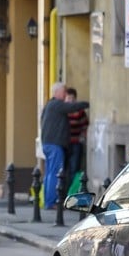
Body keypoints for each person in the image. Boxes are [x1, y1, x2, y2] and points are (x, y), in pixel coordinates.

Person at [40, 82, 88, 210]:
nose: (65, 94)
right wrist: (87, 104)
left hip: (47, 143)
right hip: (55, 144)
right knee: (55, 173)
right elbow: (72, 107)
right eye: (64, 91)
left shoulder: (49, 105)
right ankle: (51, 202)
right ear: (57, 92)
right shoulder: (57, 105)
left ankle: (48, 201)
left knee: (50, 173)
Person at [65, 87, 90, 185]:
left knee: (74, 167)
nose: (70, 100)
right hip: (65, 143)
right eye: (68, 98)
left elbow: (85, 125)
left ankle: (72, 190)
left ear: (75, 99)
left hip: (76, 143)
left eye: (72, 98)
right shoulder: (63, 111)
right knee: (64, 167)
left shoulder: (80, 111)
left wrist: (82, 136)